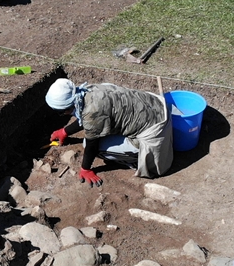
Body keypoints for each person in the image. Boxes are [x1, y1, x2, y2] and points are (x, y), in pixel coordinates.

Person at [44, 78, 173, 187]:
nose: (62, 114)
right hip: (159, 107)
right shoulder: (91, 90)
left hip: (155, 133)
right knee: (99, 126)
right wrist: (65, 131)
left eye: (61, 112)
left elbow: (91, 145)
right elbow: (87, 117)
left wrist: (85, 169)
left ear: (69, 106)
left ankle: (135, 158)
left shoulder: (92, 112)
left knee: (90, 145)